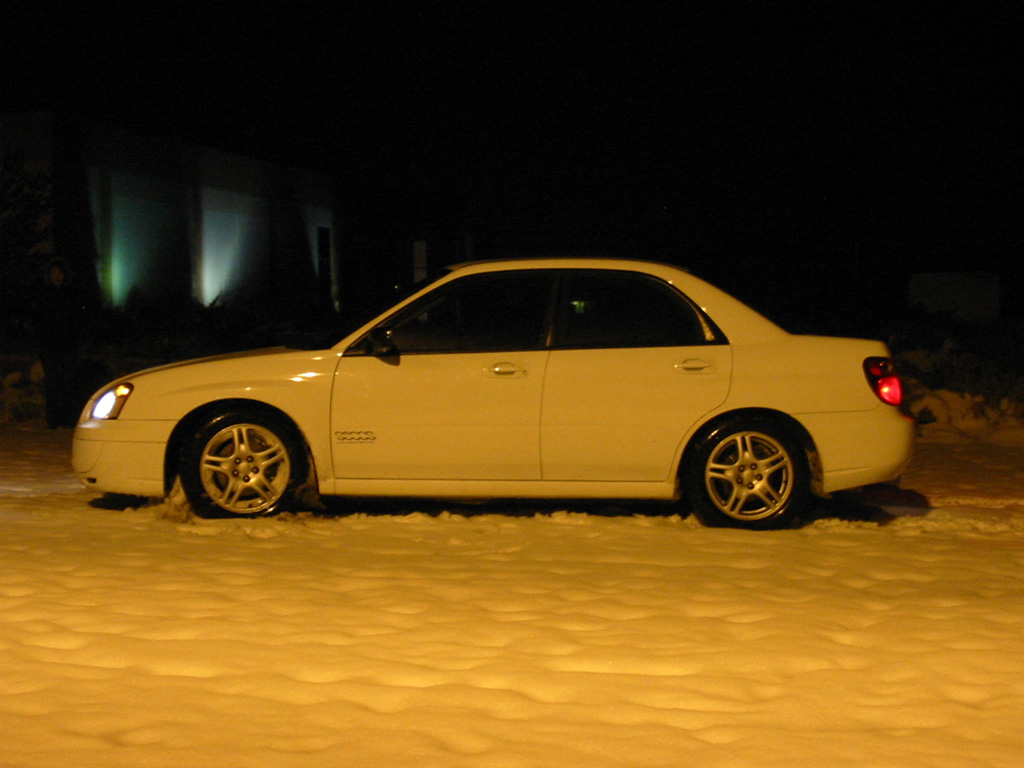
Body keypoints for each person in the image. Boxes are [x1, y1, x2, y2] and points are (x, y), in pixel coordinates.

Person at [32, 257, 81, 428]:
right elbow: (39, 321)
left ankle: (67, 419)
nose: (57, 276)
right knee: (52, 382)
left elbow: (76, 320)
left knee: (68, 382)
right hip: (49, 346)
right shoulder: (44, 295)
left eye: (60, 273)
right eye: (54, 273)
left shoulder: (71, 294)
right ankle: (53, 420)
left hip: (68, 345)